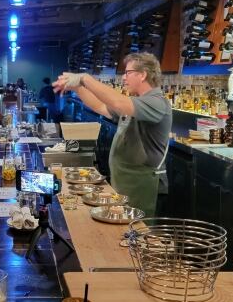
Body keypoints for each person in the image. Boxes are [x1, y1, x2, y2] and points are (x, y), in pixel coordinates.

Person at [53, 53, 171, 216]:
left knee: (140, 236)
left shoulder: (156, 102)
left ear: (143, 75)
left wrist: (85, 79)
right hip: (125, 183)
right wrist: (77, 88)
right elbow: (101, 106)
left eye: (128, 73)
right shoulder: (134, 103)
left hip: (143, 186)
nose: (124, 78)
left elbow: (117, 101)